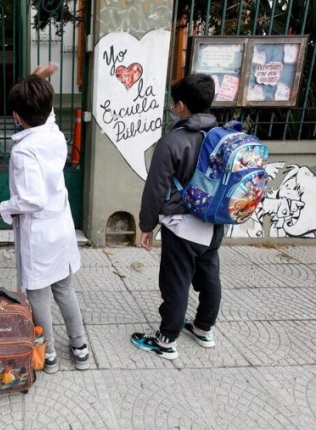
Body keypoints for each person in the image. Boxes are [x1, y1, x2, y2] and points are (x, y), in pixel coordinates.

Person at [0, 70, 89, 374]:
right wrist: (36, 82)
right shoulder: (54, 134)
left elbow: (32, 199)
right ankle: (80, 348)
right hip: (61, 228)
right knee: (65, 290)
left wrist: (1, 209)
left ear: (16, 116)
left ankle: (50, 354)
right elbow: (45, 111)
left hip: (40, 236)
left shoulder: (23, 150)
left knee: (40, 295)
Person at [131, 73, 224, 360]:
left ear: (181, 105)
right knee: (209, 275)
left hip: (182, 226)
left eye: (173, 102)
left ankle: (166, 340)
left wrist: (147, 225)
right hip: (215, 223)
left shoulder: (173, 141)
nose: (172, 107)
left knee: (176, 282)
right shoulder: (221, 136)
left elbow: (155, 189)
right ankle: (203, 328)